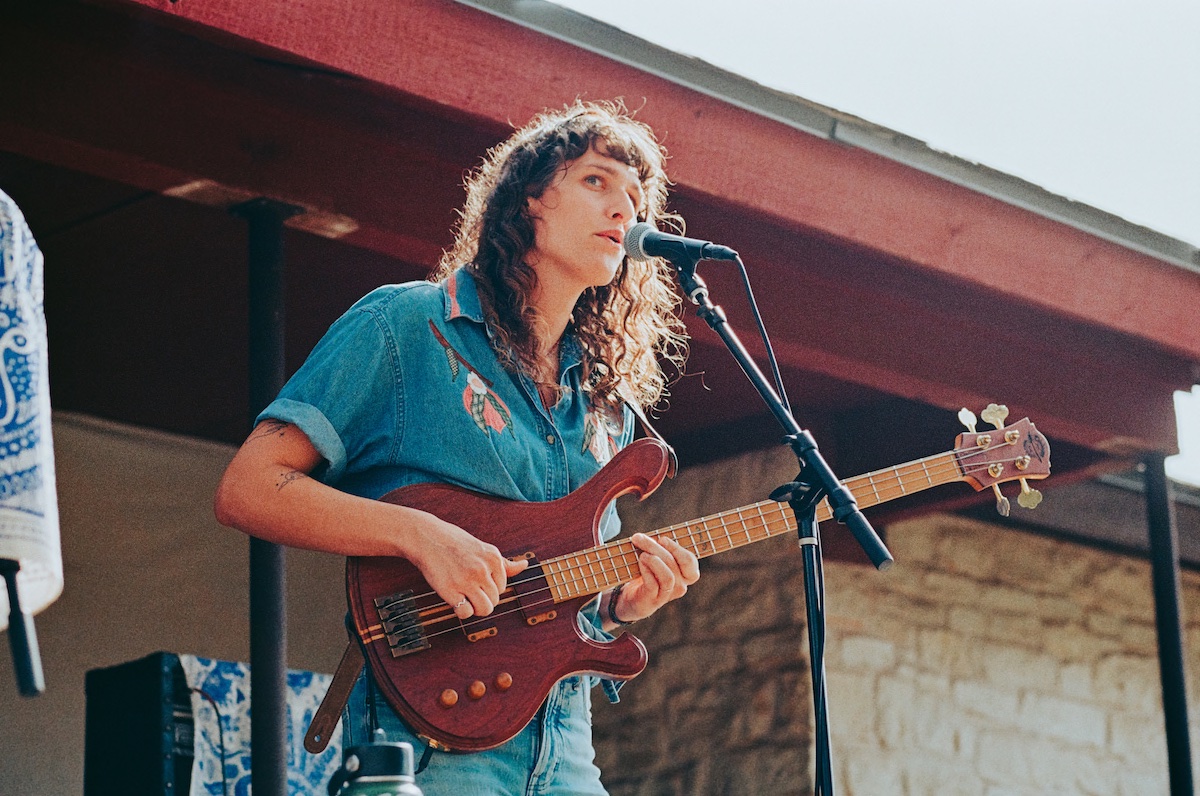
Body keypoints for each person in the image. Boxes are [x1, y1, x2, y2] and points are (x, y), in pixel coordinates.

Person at [213, 101, 700, 794]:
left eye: (636, 196)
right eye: (597, 181)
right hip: (429, 748)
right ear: (528, 198)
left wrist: (621, 603)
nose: (625, 210)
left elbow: (555, 596)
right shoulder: (405, 325)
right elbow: (249, 487)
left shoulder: (605, 404)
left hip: (565, 751)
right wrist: (418, 535)